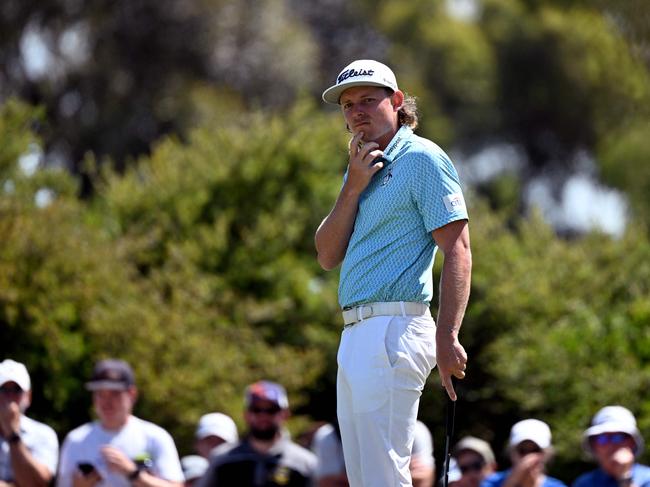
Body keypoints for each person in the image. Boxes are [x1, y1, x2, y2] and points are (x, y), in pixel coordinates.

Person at [315, 59, 472, 486]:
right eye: (348, 105)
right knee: (366, 479)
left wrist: (447, 335)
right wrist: (352, 185)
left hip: (394, 328)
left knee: (385, 476)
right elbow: (327, 255)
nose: (357, 112)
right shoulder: (360, 168)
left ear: (398, 102)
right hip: (356, 334)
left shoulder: (421, 158)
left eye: (368, 100)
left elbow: (458, 250)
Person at [56, 358, 184, 487]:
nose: (107, 402)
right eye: (100, 394)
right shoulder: (76, 439)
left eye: (114, 394)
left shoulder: (155, 437)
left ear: (132, 394)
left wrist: (133, 473)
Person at [197, 380, 317, 486]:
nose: (263, 416)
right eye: (256, 410)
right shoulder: (223, 460)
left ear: (285, 414)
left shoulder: (304, 464)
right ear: (246, 415)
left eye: (271, 410)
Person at [311, 419, 435, 487]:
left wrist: (355, 476)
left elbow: (424, 478)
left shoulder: (414, 430)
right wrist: (398, 472)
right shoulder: (328, 436)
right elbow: (328, 483)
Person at [0, 358, 58, 487]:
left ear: (29, 397)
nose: (9, 397)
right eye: (3, 390)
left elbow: (38, 483)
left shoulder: (44, 434)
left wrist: (12, 434)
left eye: (16, 390)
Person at [573, 405, 650, 487]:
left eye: (618, 438)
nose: (610, 445)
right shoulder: (584, 483)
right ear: (594, 445)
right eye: (602, 439)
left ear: (632, 443)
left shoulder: (647, 479)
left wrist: (625, 476)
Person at [482, 419, 566, 487]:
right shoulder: (491, 482)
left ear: (547, 454)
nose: (528, 457)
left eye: (535, 450)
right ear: (511, 453)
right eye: (522, 451)